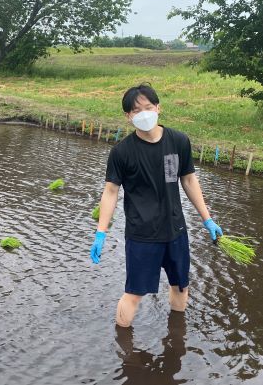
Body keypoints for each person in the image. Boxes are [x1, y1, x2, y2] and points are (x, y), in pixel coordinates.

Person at [90, 84, 223, 328]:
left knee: (181, 286)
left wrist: (207, 219)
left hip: (175, 230)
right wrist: (101, 232)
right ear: (128, 116)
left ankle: (176, 335)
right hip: (142, 234)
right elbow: (110, 192)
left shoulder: (179, 141)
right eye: (136, 110)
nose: (143, 114)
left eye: (148, 107)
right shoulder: (122, 152)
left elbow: (189, 180)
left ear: (158, 108)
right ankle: (123, 347)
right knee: (134, 293)